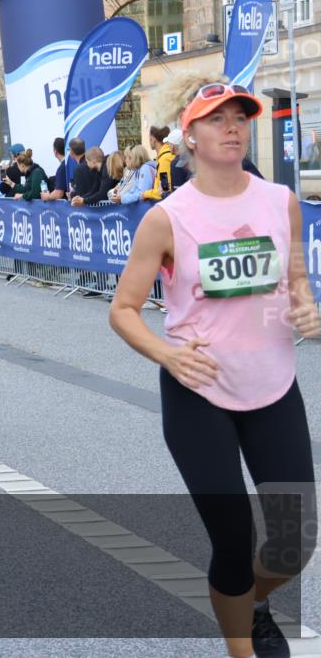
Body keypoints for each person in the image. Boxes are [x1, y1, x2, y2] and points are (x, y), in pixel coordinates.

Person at [109, 76, 319, 658]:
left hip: (274, 387)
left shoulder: (281, 202)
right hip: (197, 393)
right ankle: (242, 646)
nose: (232, 127)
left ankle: (251, 604)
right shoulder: (168, 219)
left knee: (295, 540)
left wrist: (304, 306)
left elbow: (296, 280)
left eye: (240, 117)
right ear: (191, 134)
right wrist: (166, 353)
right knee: (234, 541)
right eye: (217, 118)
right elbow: (123, 310)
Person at [142, 125, 174, 201]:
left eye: (149, 138)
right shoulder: (164, 157)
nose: (149, 141)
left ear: (153, 139)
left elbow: (165, 189)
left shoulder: (164, 159)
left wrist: (145, 194)